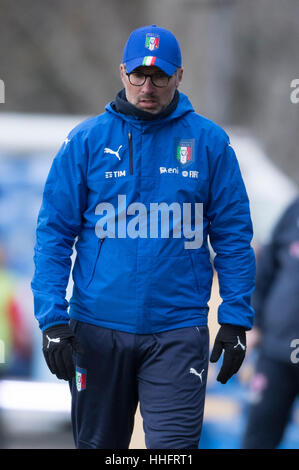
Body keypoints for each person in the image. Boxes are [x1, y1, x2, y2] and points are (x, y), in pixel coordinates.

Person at [31, 25, 256, 449]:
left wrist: (236, 317)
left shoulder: (209, 143)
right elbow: (53, 236)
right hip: (96, 330)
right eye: (139, 75)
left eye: (159, 76)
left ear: (179, 77)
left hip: (177, 331)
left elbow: (233, 237)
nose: (147, 86)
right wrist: (52, 319)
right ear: (122, 73)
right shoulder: (85, 142)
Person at [242, 196, 299, 449]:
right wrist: (254, 321)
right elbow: (265, 267)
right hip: (277, 349)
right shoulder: (295, 209)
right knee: (259, 435)